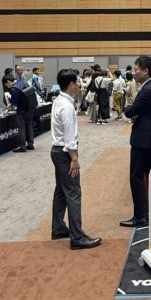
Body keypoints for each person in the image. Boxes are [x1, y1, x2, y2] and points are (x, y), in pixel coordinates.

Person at [50, 69, 101, 250]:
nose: (80, 85)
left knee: (61, 191)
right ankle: (77, 237)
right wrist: (74, 158)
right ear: (71, 84)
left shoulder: (59, 100)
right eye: (78, 82)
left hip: (57, 151)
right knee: (73, 193)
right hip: (65, 153)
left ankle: (58, 228)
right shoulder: (67, 107)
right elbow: (69, 137)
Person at [120, 55, 151, 229]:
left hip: (143, 140)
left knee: (136, 177)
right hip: (147, 139)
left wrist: (126, 108)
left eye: (136, 69)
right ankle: (148, 212)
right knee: (148, 175)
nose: (134, 72)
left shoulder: (147, 90)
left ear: (146, 71)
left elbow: (130, 111)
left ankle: (140, 216)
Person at [9, 75, 36, 152]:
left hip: (22, 110)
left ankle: (22, 146)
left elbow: (15, 102)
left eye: (7, 85)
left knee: (21, 127)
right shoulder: (23, 82)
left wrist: (10, 104)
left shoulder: (14, 89)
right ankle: (30, 144)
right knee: (30, 126)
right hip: (30, 108)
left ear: (8, 82)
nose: (8, 87)